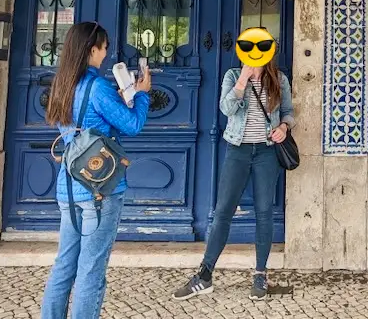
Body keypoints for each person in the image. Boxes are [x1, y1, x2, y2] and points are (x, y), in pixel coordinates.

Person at [40, 22, 152, 319]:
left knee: (64, 266)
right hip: (99, 192)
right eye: (103, 48)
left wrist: (117, 99)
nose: (105, 54)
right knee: (91, 271)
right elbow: (132, 125)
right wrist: (141, 94)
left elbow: (91, 124)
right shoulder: (98, 87)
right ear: (92, 49)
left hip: (69, 187)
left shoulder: (62, 84)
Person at [172, 57, 294, 302]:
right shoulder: (232, 75)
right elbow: (226, 109)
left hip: (266, 152)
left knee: (264, 212)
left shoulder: (279, 79)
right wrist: (242, 81)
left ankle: (260, 273)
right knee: (223, 211)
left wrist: (283, 127)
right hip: (237, 150)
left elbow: (289, 113)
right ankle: (205, 275)